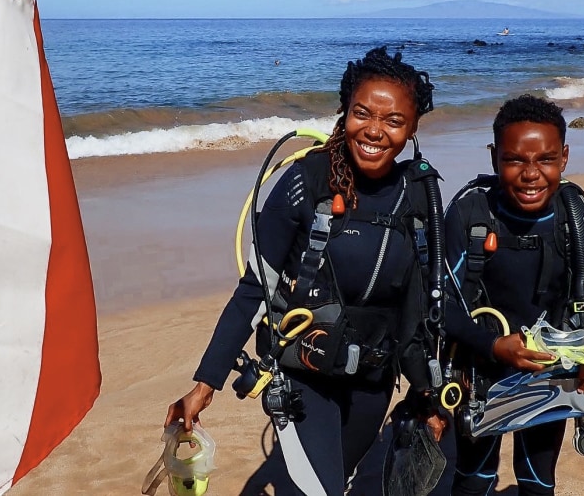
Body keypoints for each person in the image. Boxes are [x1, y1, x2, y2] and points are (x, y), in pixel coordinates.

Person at [165, 46, 445, 495]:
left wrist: (428, 392)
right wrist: (206, 382)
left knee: (337, 477)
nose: (374, 131)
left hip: (373, 380)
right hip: (304, 373)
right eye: (361, 113)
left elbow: (423, 305)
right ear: (343, 111)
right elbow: (254, 289)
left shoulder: (419, 197)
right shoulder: (306, 181)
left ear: (412, 128)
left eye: (393, 121)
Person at [441, 94, 584, 496]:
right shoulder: (470, 215)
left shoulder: (583, 221)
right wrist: (494, 346)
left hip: (551, 369)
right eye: (515, 159)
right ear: (494, 157)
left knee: (538, 479)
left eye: (546, 159)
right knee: (475, 477)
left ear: (565, 157)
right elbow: (441, 307)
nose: (531, 174)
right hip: (482, 367)